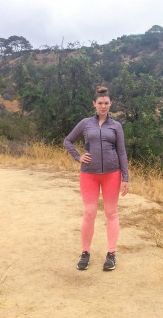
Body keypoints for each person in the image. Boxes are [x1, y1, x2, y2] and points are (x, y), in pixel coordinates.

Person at [63, 86, 129, 271]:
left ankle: (111, 254)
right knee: (89, 212)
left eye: (106, 103)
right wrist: (78, 156)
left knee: (111, 213)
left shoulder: (116, 126)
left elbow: (122, 152)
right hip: (89, 175)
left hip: (112, 174)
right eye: (100, 103)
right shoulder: (85, 123)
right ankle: (85, 253)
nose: (103, 106)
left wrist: (126, 177)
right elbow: (68, 141)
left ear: (110, 104)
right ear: (94, 104)